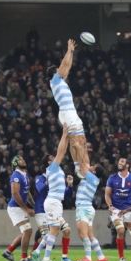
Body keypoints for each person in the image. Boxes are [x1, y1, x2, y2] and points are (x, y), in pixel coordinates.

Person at [32, 124, 76, 261]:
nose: (55, 157)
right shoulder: (52, 168)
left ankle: (38, 252)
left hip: (55, 202)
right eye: (52, 157)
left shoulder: (57, 171)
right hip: (52, 202)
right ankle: (45, 258)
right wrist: (65, 134)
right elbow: (61, 150)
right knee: (54, 230)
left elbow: (66, 193)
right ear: (49, 162)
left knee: (56, 230)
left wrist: (69, 184)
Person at [46, 39, 88, 179]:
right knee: (78, 139)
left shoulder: (59, 81)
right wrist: (68, 49)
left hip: (68, 113)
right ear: (55, 72)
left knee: (76, 139)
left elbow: (67, 66)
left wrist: (71, 52)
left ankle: (77, 166)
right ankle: (80, 167)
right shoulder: (55, 80)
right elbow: (64, 64)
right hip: (68, 112)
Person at [71, 139, 108, 261]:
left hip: (83, 208)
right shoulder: (92, 179)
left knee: (83, 234)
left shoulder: (91, 177)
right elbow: (80, 164)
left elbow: (82, 163)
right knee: (90, 235)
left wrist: (79, 148)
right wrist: (78, 150)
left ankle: (88, 257)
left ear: (95, 171)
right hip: (88, 209)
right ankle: (101, 257)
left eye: (93, 166)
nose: (91, 166)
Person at [105, 158, 131, 261]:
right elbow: (107, 194)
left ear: (127, 165)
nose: (119, 163)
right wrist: (110, 206)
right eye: (119, 162)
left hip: (128, 210)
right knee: (121, 230)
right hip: (116, 210)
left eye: (122, 162)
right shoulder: (112, 178)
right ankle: (121, 258)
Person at [31, 168, 74, 261]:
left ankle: (64, 257)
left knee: (66, 230)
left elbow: (68, 194)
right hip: (42, 210)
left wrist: (70, 185)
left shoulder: (56, 180)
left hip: (54, 209)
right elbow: (40, 189)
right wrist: (47, 182)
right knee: (49, 234)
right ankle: (34, 256)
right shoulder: (40, 178)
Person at [1, 156, 35, 261]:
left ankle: (8, 251)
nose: (23, 160)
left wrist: (34, 206)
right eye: (20, 159)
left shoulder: (25, 175)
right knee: (27, 230)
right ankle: (23, 258)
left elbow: (27, 193)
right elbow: (15, 194)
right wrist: (26, 209)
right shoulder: (16, 175)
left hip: (20, 207)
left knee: (26, 232)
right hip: (15, 208)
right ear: (15, 163)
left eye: (23, 158)